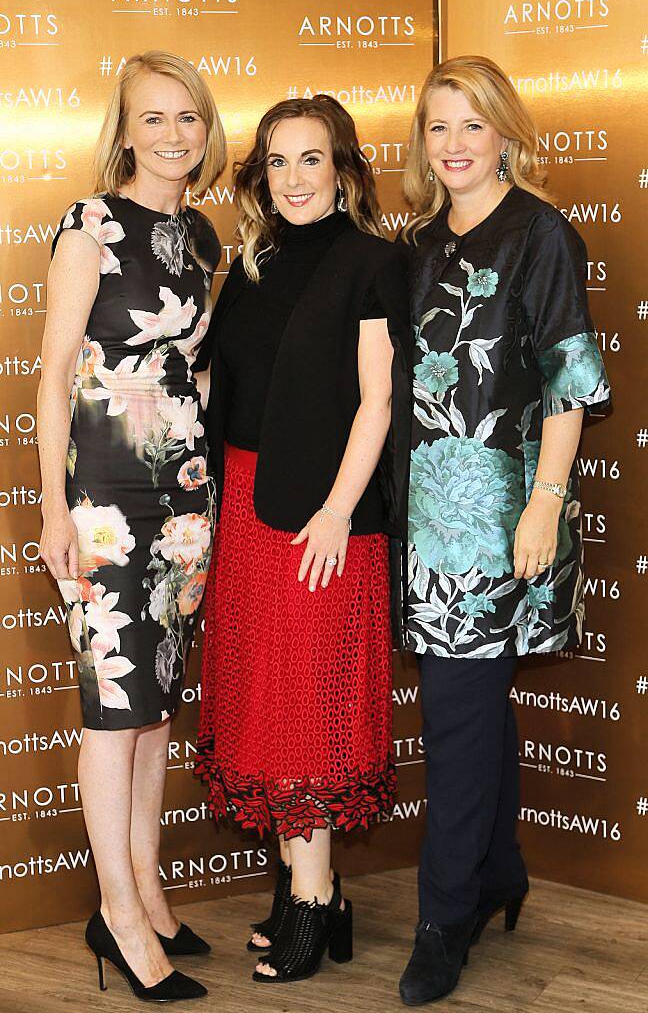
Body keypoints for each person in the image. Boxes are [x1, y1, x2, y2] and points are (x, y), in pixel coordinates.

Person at [397, 55, 610, 1006]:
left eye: (471, 126)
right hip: (425, 521)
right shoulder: (417, 243)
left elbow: (571, 379)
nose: (454, 146)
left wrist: (545, 501)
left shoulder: (541, 235)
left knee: (455, 719)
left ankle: (442, 919)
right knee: (475, 711)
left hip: (502, 520)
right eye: (438, 127)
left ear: (506, 133)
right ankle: (499, 873)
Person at [194, 94, 411, 984]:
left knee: (305, 710)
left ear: (343, 168)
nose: (293, 178)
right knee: (267, 696)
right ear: (260, 174)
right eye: (277, 161)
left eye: (311, 159)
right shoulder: (249, 262)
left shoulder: (371, 263)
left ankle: (315, 904)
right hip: (247, 508)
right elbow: (222, 389)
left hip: (325, 517)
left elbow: (378, 401)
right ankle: (304, 887)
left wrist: (335, 508)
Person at [37, 51, 225, 1002]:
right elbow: (54, 371)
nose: (172, 135)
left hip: (186, 493)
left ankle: (148, 891)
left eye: (187, 118)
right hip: (106, 496)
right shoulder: (90, 224)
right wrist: (51, 506)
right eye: (153, 118)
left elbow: (192, 371)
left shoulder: (204, 239)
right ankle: (114, 914)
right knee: (115, 714)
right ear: (124, 131)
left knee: (154, 708)